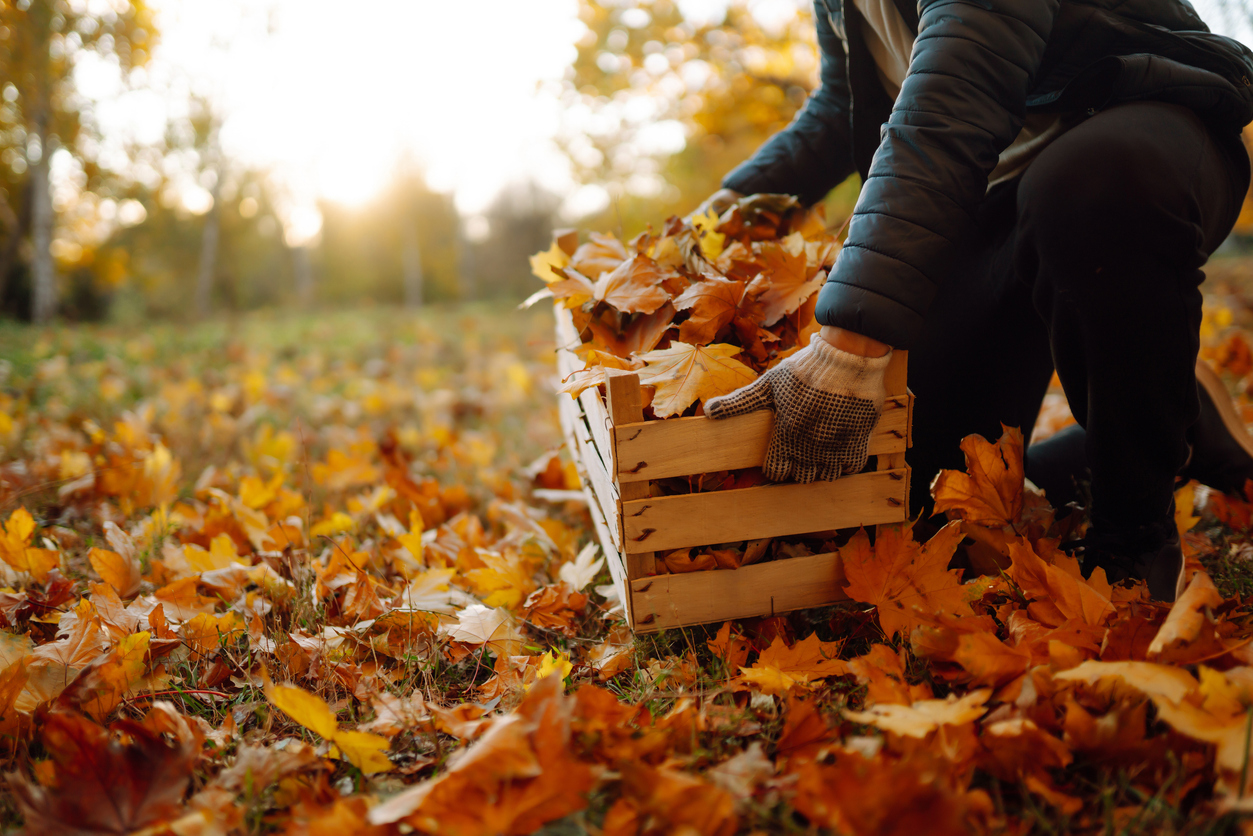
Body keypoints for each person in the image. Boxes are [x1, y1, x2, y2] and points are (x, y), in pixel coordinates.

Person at [701, 0, 1253, 601]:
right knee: (926, 511)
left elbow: (950, 108)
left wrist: (847, 347)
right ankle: (1172, 415)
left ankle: (1133, 536)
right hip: (992, 200)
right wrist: (718, 213)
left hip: (1134, 135)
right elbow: (844, 104)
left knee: (1086, 185)